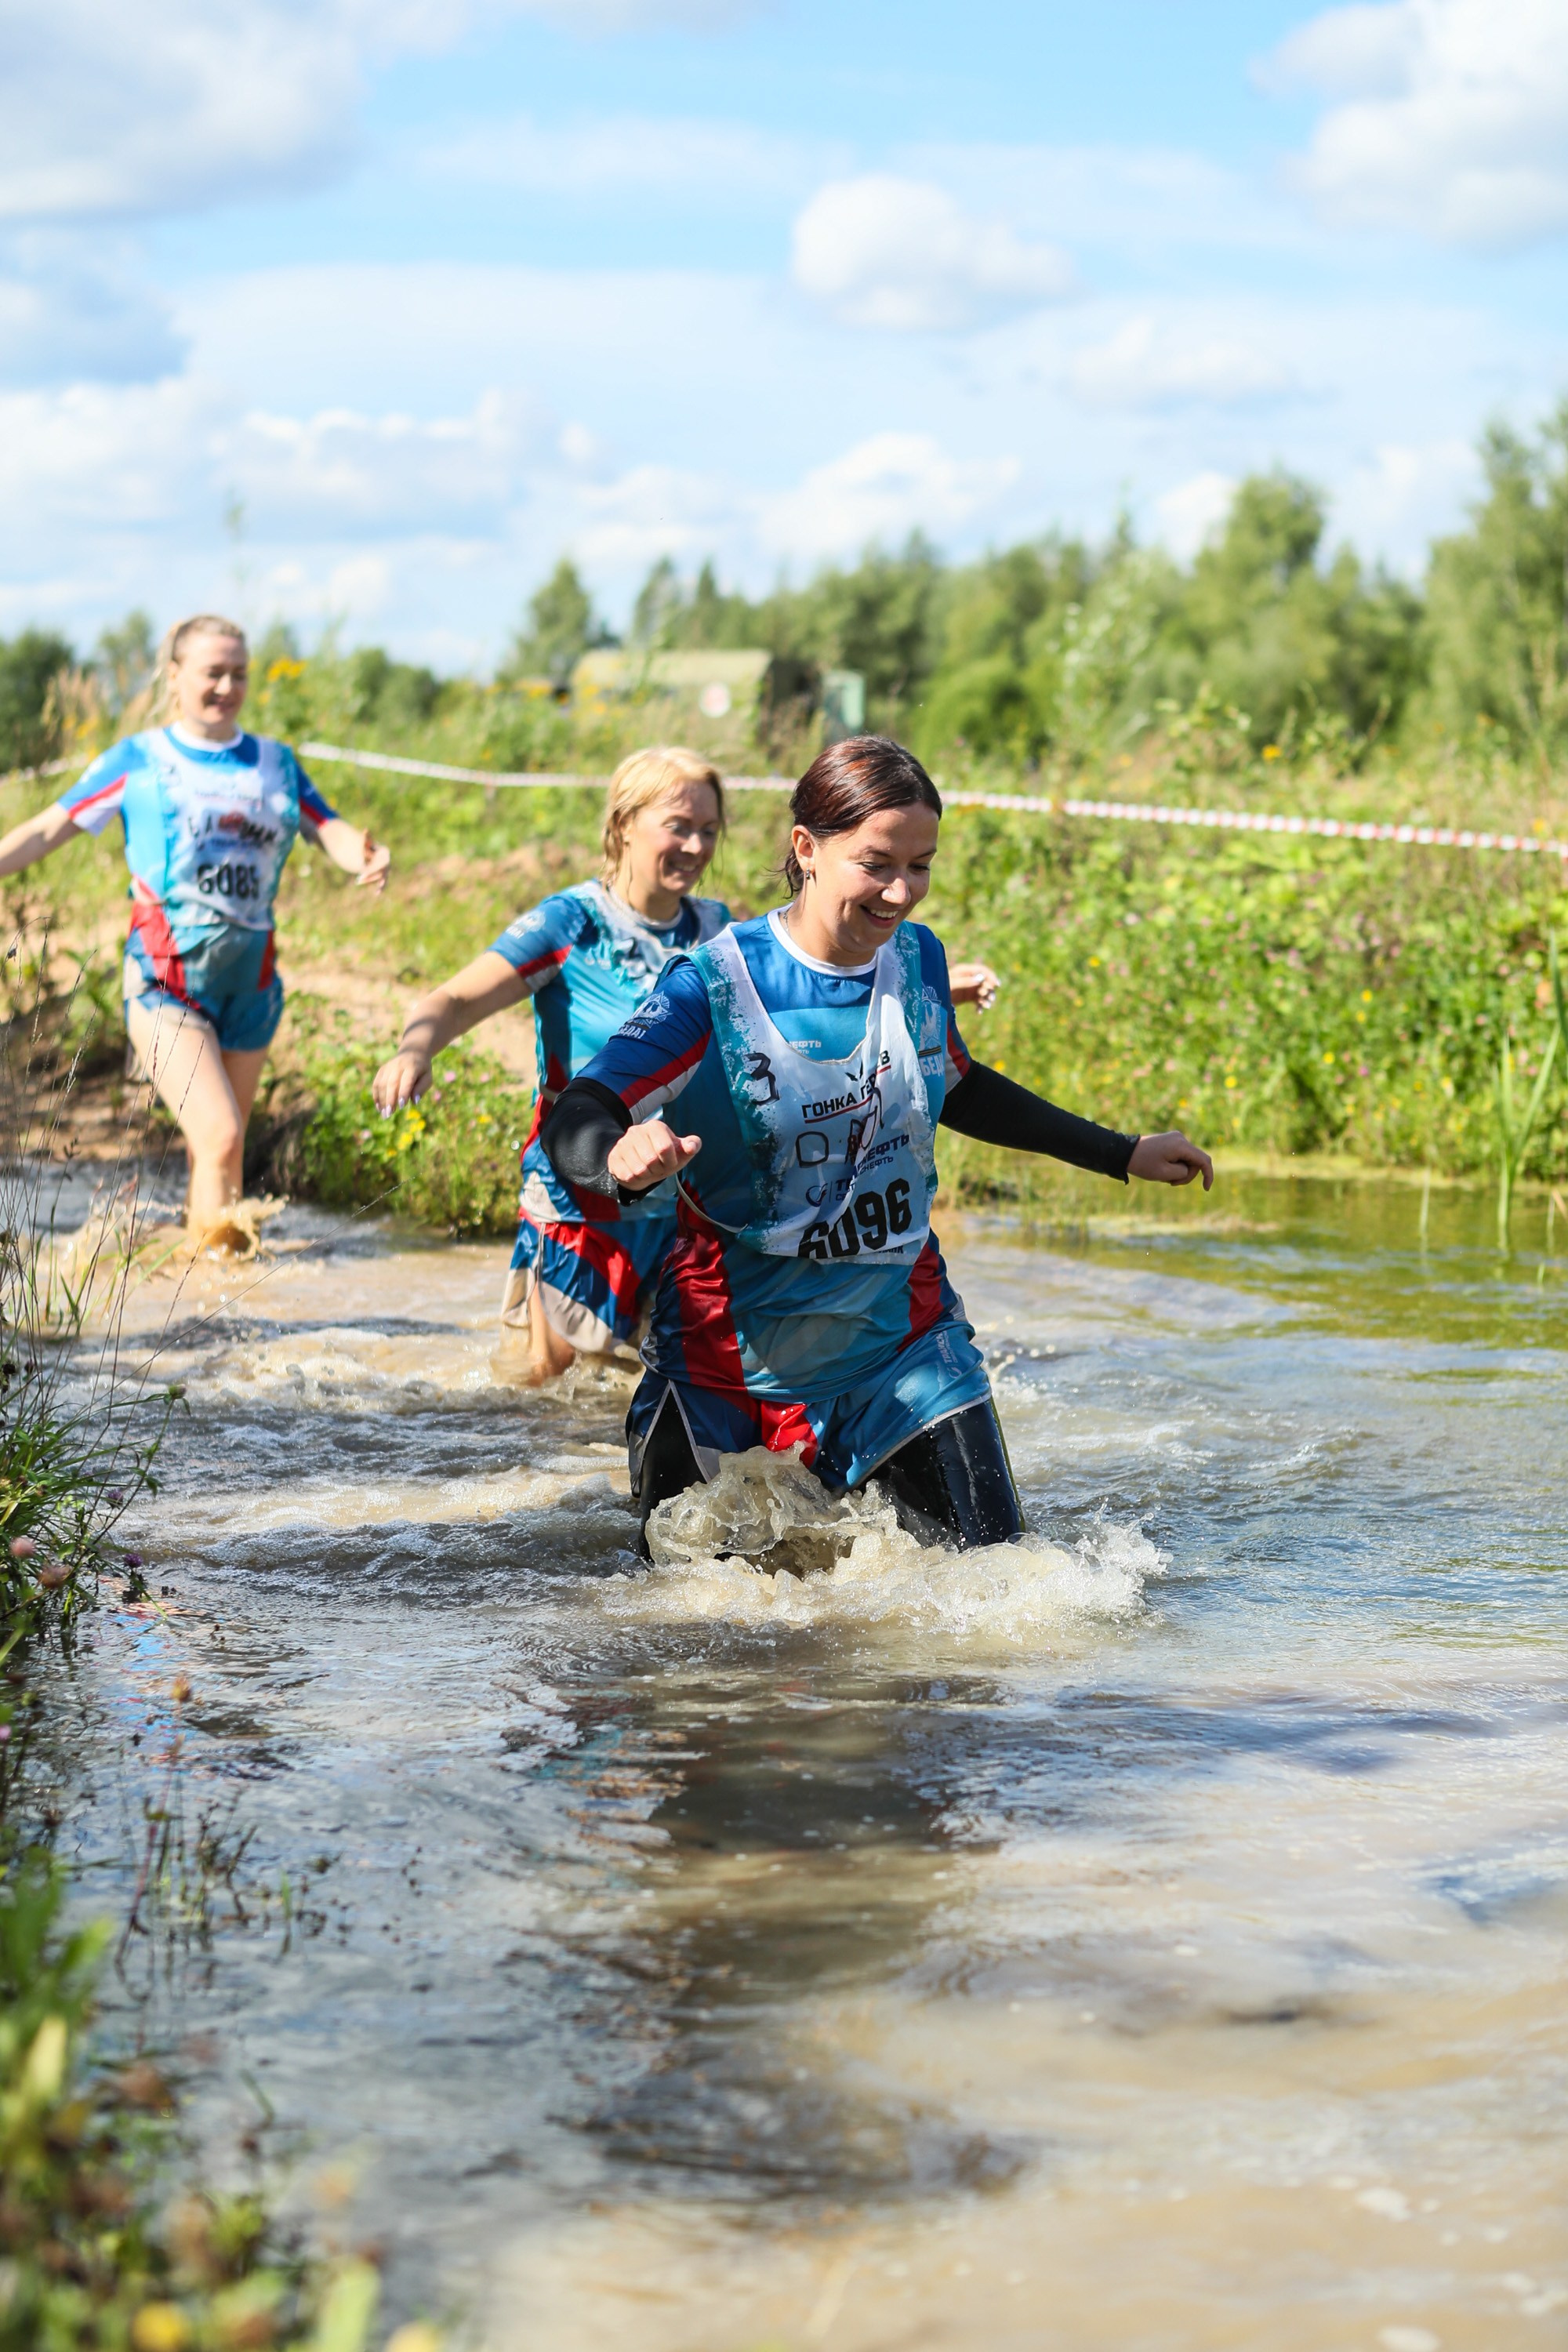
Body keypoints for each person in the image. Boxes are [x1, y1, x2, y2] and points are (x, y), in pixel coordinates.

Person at [541, 735, 1213, 1556]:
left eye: (920, 865)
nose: (901, 893)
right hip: (727, 1371)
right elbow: (583, 1105)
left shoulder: (919, 963)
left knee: (1004, 1585)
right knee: (688, 1634)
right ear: (806, 850)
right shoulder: (711, 986)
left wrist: (1120, 1152)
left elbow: (958, 1085)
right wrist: (614, 1157)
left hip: (904, 1352)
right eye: (876, 864)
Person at [0, 613, 390, 1247]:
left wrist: (366, 856)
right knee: (223, 1136)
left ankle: (203, 1296)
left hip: (251, 987)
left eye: (239, 673)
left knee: (217, 1151)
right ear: (175, 675)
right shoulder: (139, 759)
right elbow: (51, 826)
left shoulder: (275, 763)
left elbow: (328, 826)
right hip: (164, 983)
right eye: (214, 672)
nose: (227, 686)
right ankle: (221, 1287)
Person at [373, 747, 733, 1385]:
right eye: (678, 825)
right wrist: (415, 1049)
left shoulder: (718, 930)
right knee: (549, 1402)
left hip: (679, 1210)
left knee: (658, 1404)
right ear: (624, 823)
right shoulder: (573, 922)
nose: (697, 845)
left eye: (709, 830)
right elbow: (453, 998)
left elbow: (794, 994)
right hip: (577, 1211)